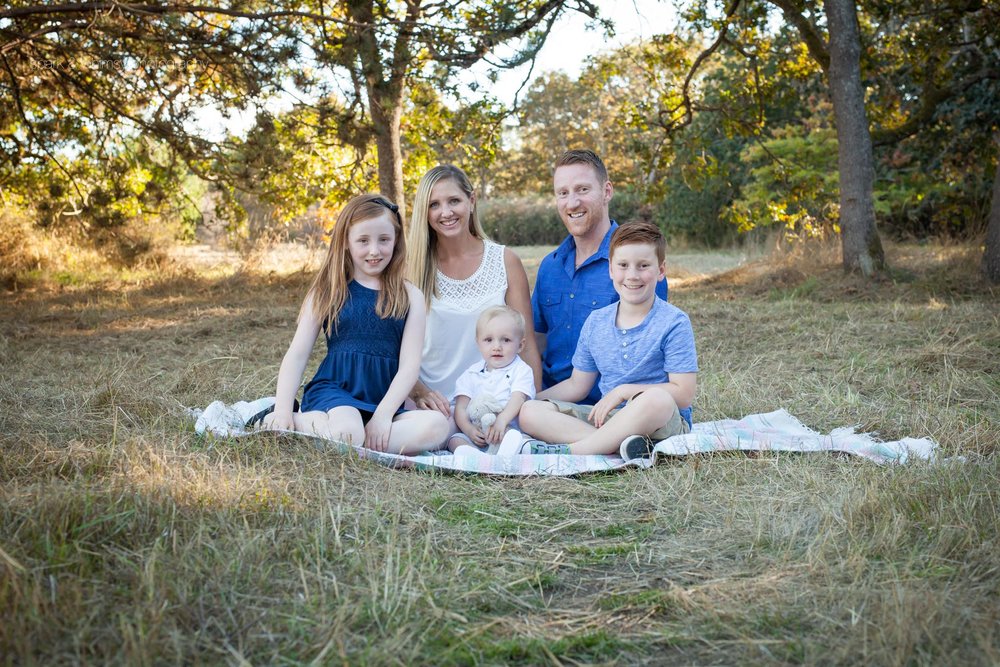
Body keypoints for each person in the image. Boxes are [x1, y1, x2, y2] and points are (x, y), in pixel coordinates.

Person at [256, 193, 450, 454]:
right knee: (348, 429)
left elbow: (409, 366)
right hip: (336, 394)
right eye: (363, 240)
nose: (374, 250)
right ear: (346, 242)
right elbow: (297, 354)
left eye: (384, 240)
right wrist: (282, 409)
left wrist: (382, 415)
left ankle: (351, 441)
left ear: (396, 241)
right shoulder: (329, 290)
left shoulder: (410, 296)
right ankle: (288, 420)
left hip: (382, 400)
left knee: (438, 427)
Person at [516, 220, 697, 459]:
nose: (632, 275)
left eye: (643, 266)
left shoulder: (674, 322)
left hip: (660, 420)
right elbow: (576, 386)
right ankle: (623, 444)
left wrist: (624, 391)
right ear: (611, 269)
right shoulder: (596, 322)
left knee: (656, 399)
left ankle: (573, 451)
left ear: (661, 271)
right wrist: (523, 399)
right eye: (623, 265)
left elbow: (683, 394)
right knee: (529, 412)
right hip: (608, 418)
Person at [406, 165, 542, 420]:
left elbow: (527, 345)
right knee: (428, 433)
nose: (445, 212)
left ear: (471, 200)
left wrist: (529, 406)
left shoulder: (505, 261)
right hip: (433, 407)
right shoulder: (412, 268)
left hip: (494, 403)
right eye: (434, 204)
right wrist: (417, 391)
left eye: (454, 200)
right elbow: (393, 345)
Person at [532, 150, 668, 405]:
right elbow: (536, 342)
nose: (572, 203)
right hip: (554, 402)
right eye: (563, 193)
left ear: (606, 192)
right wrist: (528, 398)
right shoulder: (549, 267)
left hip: (616, 405)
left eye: (582, 189)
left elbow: (653, 352)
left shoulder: (636, 267)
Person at [448, 305, 536, 454]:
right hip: (479, 434)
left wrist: (502, 421)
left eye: (506, 340)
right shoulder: (471, 373)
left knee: (519, 440)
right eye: (488, 340)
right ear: (478, 343)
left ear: (520, 345)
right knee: (455, 440)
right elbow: (461, 408)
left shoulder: (522, 370)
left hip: (507, 430)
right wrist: (469, 430)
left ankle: (508, 452)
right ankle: (473, 456)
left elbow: (518, 398)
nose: (497, 347)